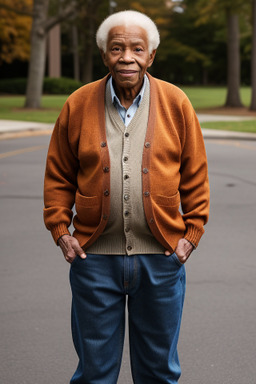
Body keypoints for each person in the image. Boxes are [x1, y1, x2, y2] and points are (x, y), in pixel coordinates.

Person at [44, 10, 210, 384]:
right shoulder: (77, 104)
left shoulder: (176, 103)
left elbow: (195, 174)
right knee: (94, 374)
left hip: (162, 257)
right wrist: (61, 232)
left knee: (158, 373)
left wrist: (191, 236)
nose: (127, 57)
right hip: (93, 259)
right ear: (105, 54)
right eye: (117, 47)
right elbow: (58, 175)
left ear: (151, 55)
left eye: (137, 48)